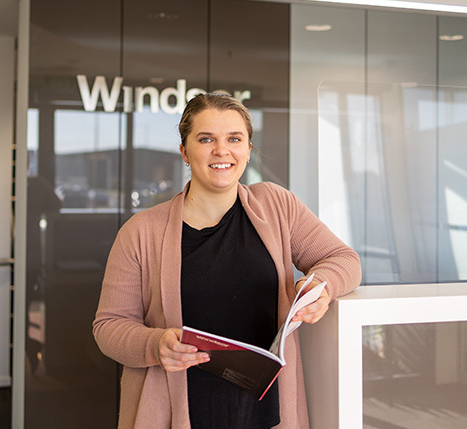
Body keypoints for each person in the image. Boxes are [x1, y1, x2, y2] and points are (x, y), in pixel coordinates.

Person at [93, 93, 361, 429]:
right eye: (206, 139)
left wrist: (320, 286)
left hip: (265, 411)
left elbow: (343, 259)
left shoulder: (277, 205)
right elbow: (109, 326)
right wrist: (155, 344)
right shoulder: (141, 231)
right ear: (185, 152)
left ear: (248, 150)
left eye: (234, 139)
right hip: (178, 411)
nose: (222, 150)